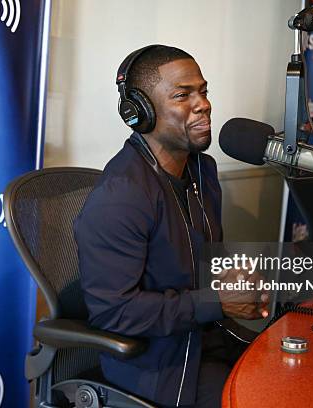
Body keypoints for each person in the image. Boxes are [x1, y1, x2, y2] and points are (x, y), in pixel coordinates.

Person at [74, 45, 267, 407]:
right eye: (182, 95)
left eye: (203, 91)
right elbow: (114, 312)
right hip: (160, 365)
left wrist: (238, 283)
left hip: (206, 339)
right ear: (140, 113)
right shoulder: (122, 196)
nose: (203, 104)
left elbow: (203, 265)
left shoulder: (201, 171)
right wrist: (217, 301)